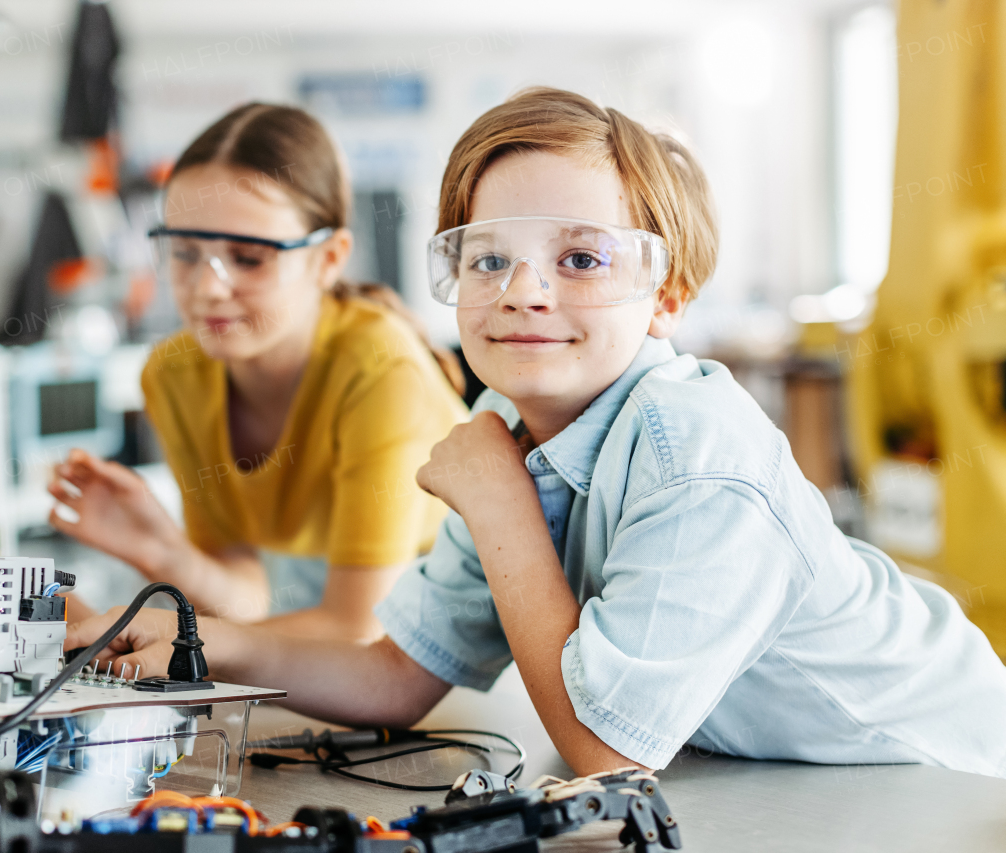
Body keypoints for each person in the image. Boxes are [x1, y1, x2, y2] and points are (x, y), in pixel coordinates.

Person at [66, 88, 1006, 778]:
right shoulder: (503, 423)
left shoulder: (696, 452)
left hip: (946, 781)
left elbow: (603, 752)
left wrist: (499, 500)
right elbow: (395, 676)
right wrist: (199, 637)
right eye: (489, 258)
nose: (524, 289)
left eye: (582, 257)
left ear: (666, 294)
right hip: (798, 783)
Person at [48, 103, 467, 641]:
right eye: (185, 252)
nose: (207, 288)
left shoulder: (381, 369)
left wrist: (146, 632)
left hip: (446, 643)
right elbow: (249, 597)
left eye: (248, 257)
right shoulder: (173, 375)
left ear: (330, 258)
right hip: (318, 628)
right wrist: (165, 554)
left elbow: (358, 630)